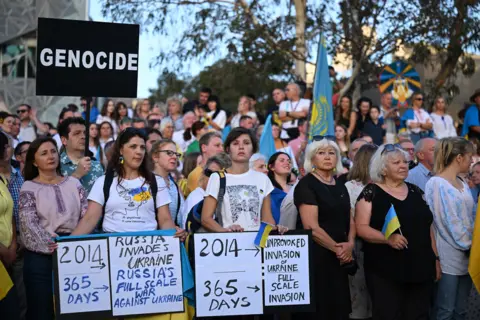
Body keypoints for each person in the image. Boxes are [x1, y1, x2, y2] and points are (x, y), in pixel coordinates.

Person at [355, 144, 437, 320]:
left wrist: (436, 259)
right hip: (385, 271)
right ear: (383, 169)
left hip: (420, 268)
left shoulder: (416, 191)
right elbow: (361, 227)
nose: (403, 165)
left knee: (420, 314)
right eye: (396, 162)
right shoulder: (371, 192)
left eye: (405, 162)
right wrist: (387, 239)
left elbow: (428, 226)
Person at [19, 137, 87, 320]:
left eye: (53, 151)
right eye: (44, 153)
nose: (50, 156)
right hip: (41, 257)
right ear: (34, 161)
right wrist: (52, 244)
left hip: (75, 252)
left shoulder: (74, 183)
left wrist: (73, 243)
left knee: (75, 310)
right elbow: (28, 224)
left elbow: (86, 217)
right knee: (42, 311)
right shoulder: (28, 187)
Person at [71, 129, 185, 237]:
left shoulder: (157, 181)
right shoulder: (103, 182)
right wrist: (65, 245)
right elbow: (89, 219)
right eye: (133, 146)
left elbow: (165, 220)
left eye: (142, 147)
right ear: (121, 150)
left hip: (149, 250)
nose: (139, 151)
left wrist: (174, 237)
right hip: (112, 248)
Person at [294, 137, 355, 320]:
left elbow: (350, 220)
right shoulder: (306, 185)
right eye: (321, 153)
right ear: (312, 159)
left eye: (331, 153)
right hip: (318, 256)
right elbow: (311, 227)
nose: (327, 157)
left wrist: (350, 245)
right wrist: (339, 250)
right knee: (321, 309)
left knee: (339, 309)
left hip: (341, 257)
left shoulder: (340, 184)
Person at [425, 137, 476, 320]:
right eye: (470, 156)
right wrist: (469, 244)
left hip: (467, 253)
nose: (473, 160)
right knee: (445, 310)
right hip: (448, 255)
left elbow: (469, 217)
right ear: (459, 157)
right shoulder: (437, 183)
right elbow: (446, 221)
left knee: (461, 309)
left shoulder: (462, 182)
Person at [201, 127, 283, 233]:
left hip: (256, 244)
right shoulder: (217, 178)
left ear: (253, 149)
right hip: (229, 245)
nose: (241, 147)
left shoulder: (263, 179)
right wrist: (226, 231)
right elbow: (206, 219)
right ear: (227, 149)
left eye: (246, 143)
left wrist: (277, 229)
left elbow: (267, 219)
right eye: (235, 143)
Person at [344, 143, 378, 320]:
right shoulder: (351, 187)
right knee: (359, 297)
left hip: (381, 248)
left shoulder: (384, 185)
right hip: (360, 247)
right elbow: (352, 220)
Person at [58, 117, 104, 195]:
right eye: (77, 133)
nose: (83, 136)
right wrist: (77, 174)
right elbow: (52, 196)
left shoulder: (97, 166)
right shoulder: (55, 166)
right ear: (64, 140)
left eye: (85, 133)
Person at [182, 154, 230, 228]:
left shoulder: (229, 197)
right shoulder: (196, 197)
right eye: (209, 173)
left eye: (217, 175)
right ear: (203, 173)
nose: (212, 178)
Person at [151, 139, 185, 226]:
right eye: (169, 153)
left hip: (175, 236)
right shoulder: (146, 182)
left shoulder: (175, 185)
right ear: (155, 156)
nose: (174, 157)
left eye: (176, 154)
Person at [186, 132, 224, 196]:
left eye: (222, 146)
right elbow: (201, 203)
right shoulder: (196, 175)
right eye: (217, 145)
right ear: (204, 148)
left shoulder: (226, 170)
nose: (222, 149)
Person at [268, 152, 293, 224]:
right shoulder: (268, 190)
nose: (287, 163)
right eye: (282, 160)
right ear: (271, 167)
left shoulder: (296, 188)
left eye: (289, 161)